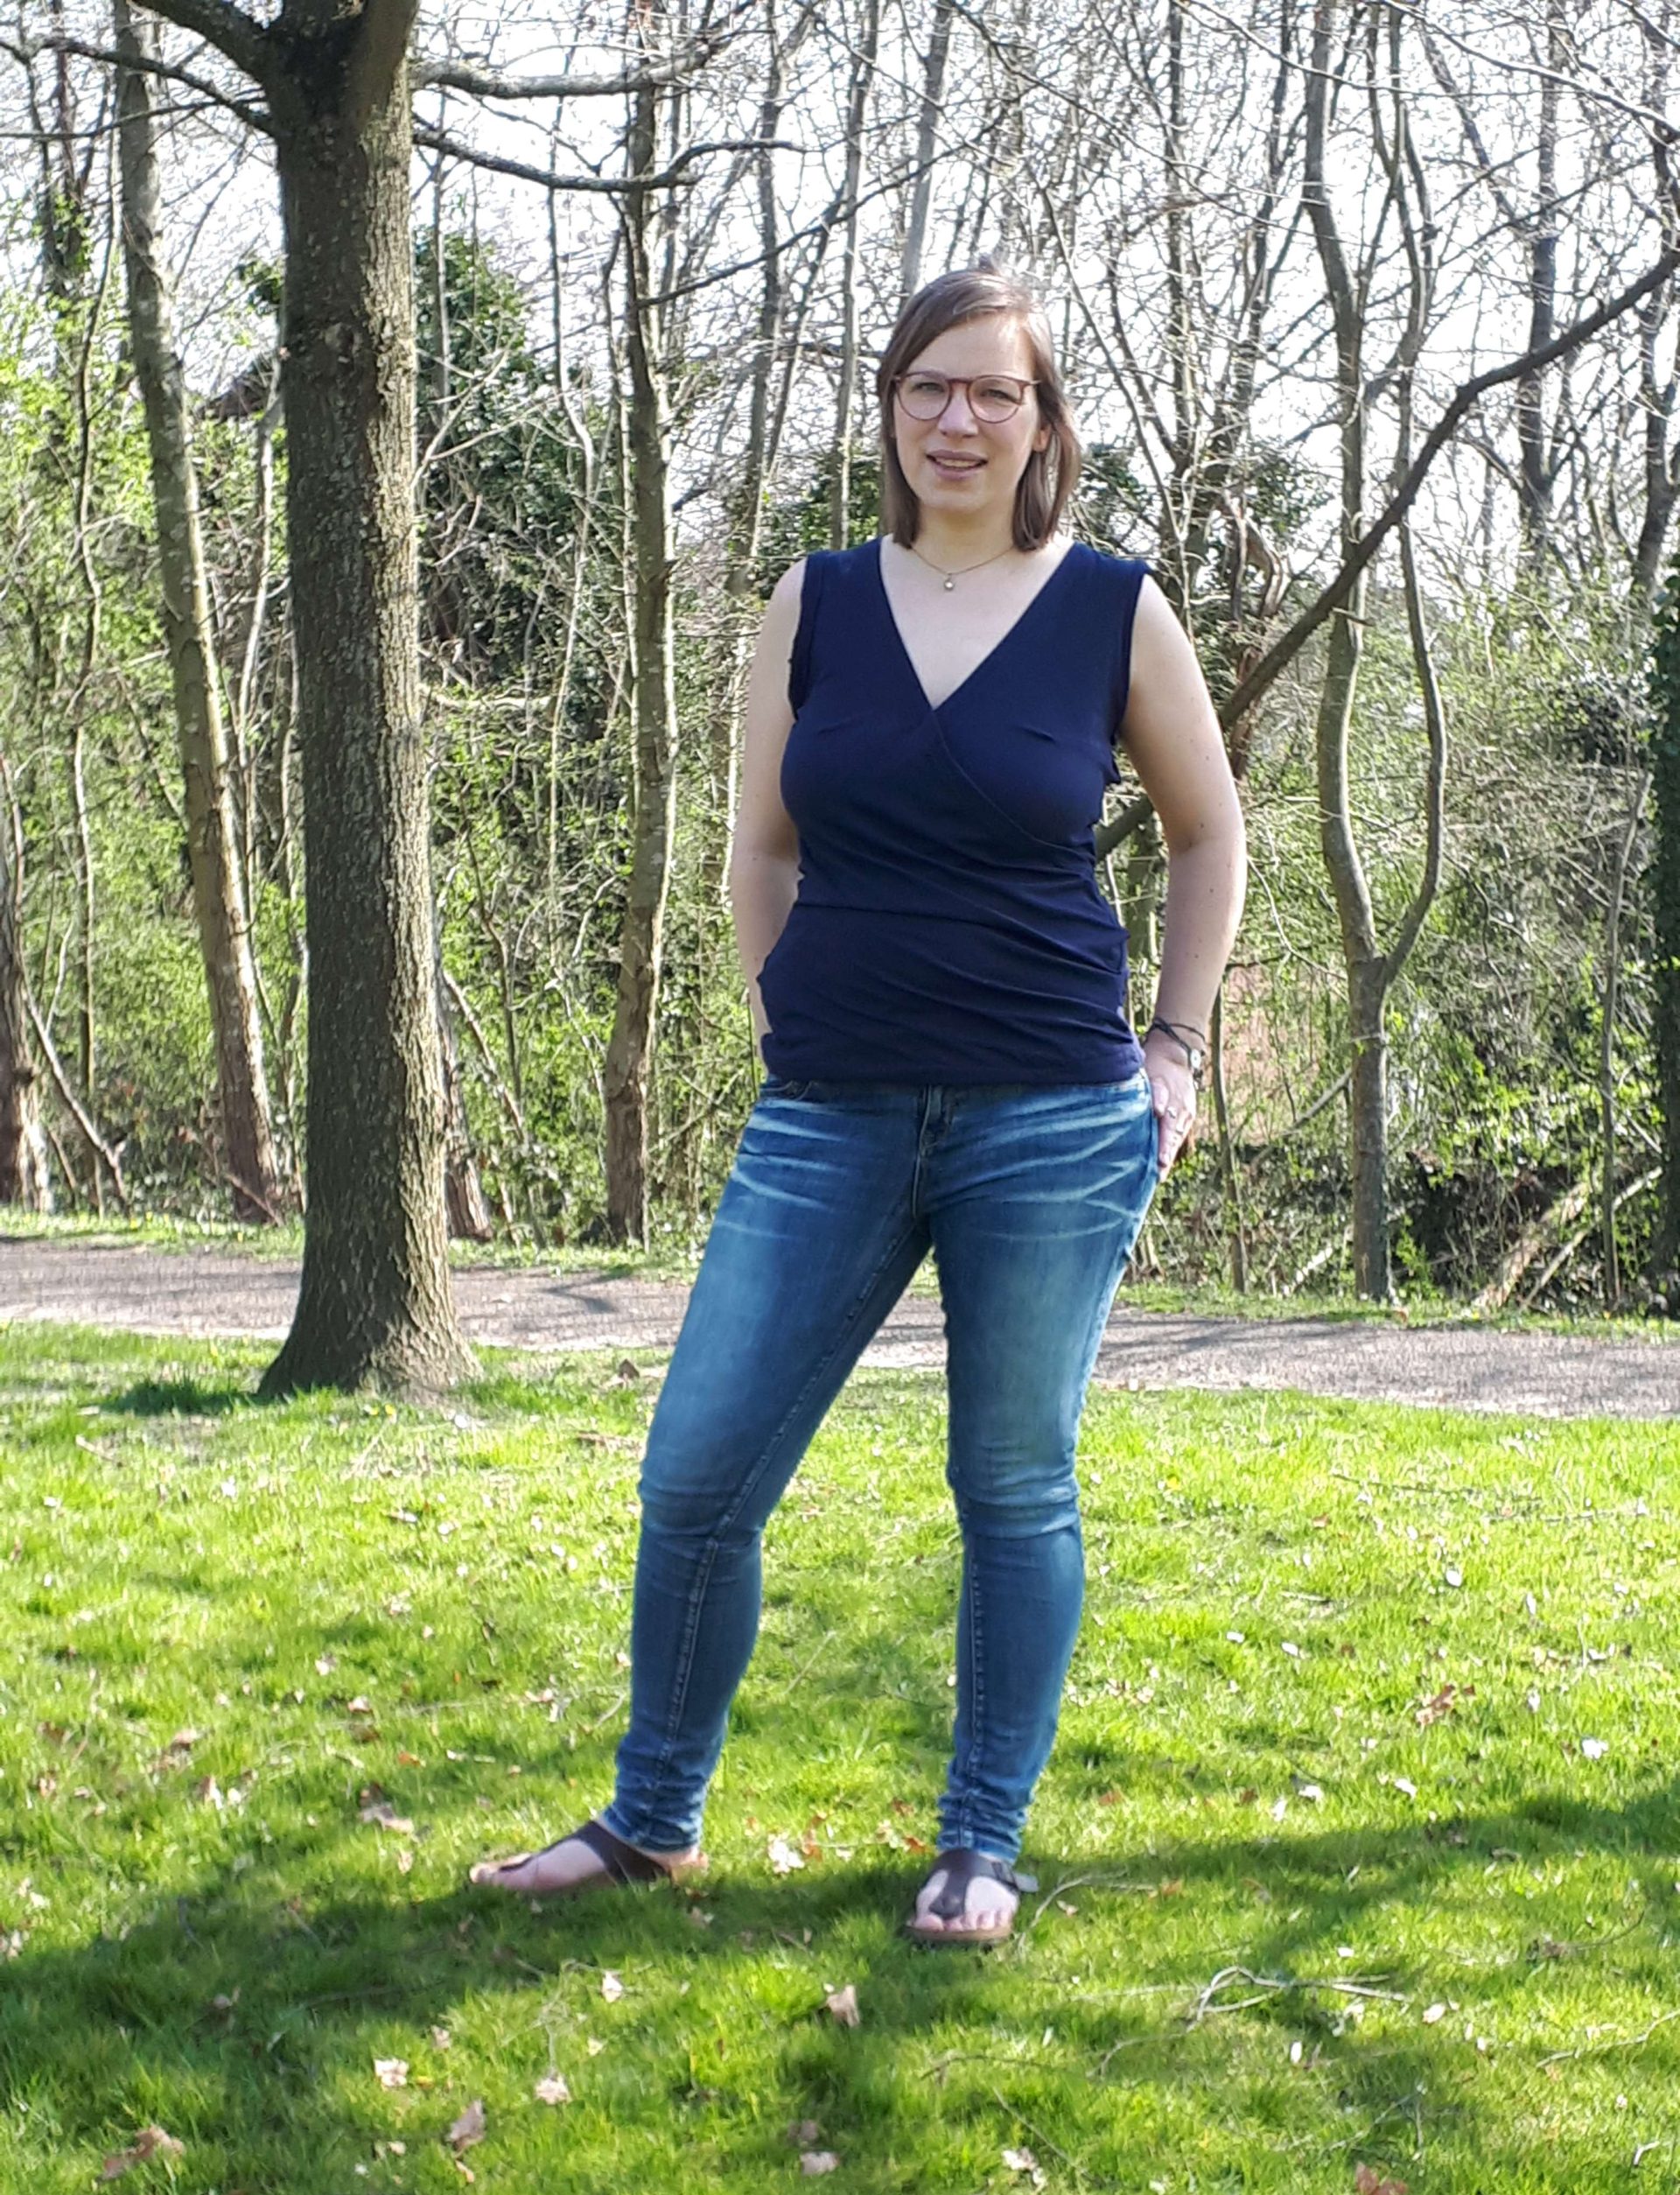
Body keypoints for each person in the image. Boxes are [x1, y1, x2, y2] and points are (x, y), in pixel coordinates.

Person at [473, 262, 1246, 1947]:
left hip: (1050, 1113)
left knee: (1012, 1484)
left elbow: (1209, 836)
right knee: (697, 1477)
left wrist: (1176, 1051)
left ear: (1042, 423)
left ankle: (981, 1845)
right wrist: (783, 1013)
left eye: (995, 392)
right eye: (928, 388)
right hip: (827, 1108)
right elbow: (759, 848)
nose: (959, 420)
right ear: (891, 409)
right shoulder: (812, 602)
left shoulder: (1112, 608)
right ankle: (650, 1822)